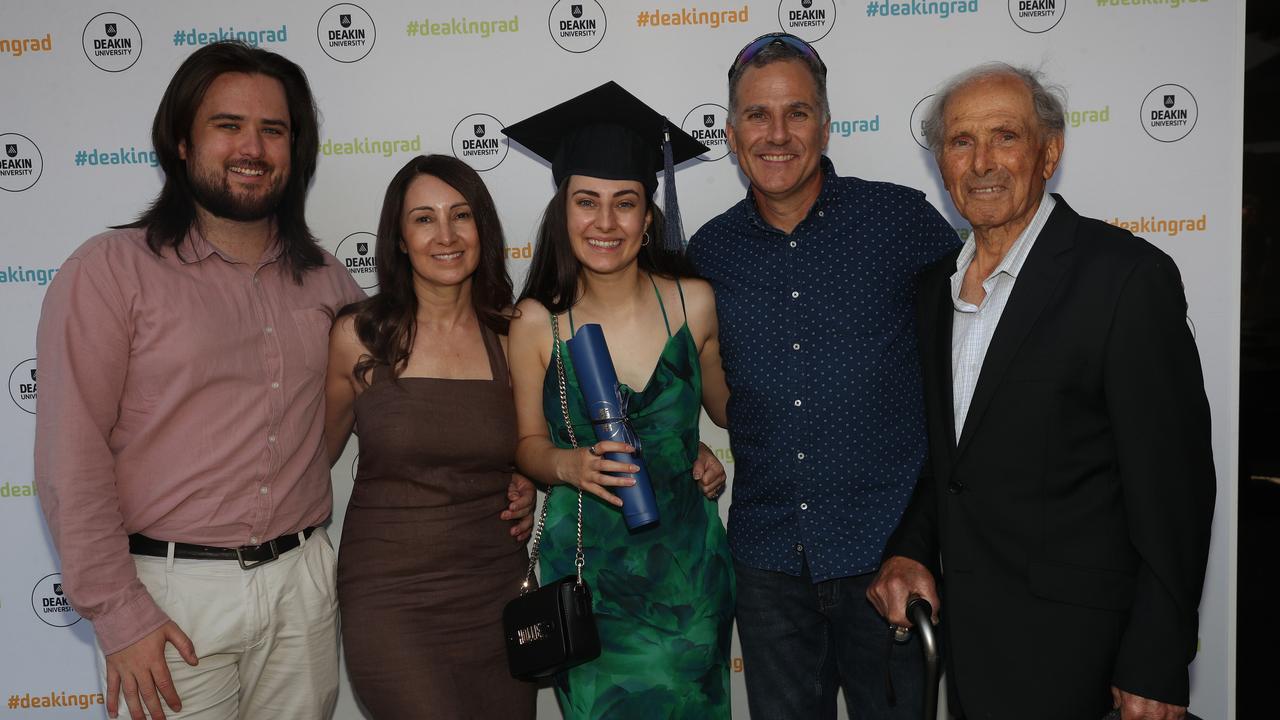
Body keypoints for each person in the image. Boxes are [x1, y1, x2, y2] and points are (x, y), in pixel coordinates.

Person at [868, 63, 1216, 720]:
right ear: (941, 163)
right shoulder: (933, 290)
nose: (982, 163)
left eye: (1006, 136)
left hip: (1084, 651)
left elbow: (1175, 488)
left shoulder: (1124, 279)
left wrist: (1157, 657)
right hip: (971, 642)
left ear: (1049, 153)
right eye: (961, 142)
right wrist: (912, 549)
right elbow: (955, 464)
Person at [33, 41, 365, 720]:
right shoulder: (108, 272)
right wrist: (119, 615)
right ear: (182, 142)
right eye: (228, 125)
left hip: (303, 587)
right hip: (168, 597)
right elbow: (73, 456)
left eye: (274, 130)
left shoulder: (332, 283)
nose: (253, 147)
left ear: (295, 150)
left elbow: (367, 416)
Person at [686, 33, 960, 719]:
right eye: (756, 115)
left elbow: (977, 347)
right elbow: (693, 386)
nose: (776, 134)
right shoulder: (708, 252)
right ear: (730, 132)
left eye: (797, 113)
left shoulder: (902, 222)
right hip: (769, 566)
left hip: (888, 560)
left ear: (826, 125)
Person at [504, 81, 734, 719]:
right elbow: (525, 445)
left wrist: (705, 453)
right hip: (590, 575)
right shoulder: (535, 322)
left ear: (649, 216)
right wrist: (568, 466)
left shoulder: (694, 302)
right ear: (563, 211)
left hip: (687, 573)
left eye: (624, 203)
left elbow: (727, 408)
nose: (605, 223)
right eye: (586, 202)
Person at [323, 154, 536, 719]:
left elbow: (544, 442)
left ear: (482, 230)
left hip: (498, 593)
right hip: (391, 601)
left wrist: (529, 478)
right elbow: (310, 456)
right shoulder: (359, 337)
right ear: (398, 237)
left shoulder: (512, 333)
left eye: (460, 215)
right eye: (424, 218)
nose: (445, 235)